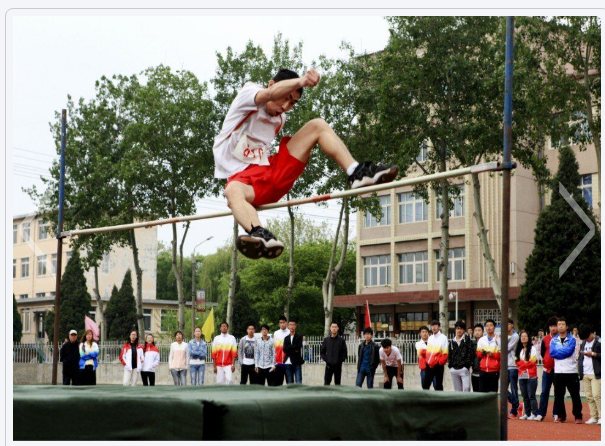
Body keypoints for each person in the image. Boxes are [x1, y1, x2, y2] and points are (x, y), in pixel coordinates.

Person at [214, 68, 399, 260]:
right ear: (271, 84)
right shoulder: (248, 94)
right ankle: (260, 234)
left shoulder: (280, 119)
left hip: (270, 172)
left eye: (293, 103)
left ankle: (356, 171)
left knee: (317, 125)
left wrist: (295, 89)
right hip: (245, 182)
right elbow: (268, 95)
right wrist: (302, 81)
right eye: (285, 98)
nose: (286, 106)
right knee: (232, 191)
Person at [550, 316, 583, 424]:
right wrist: (561, 352)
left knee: (575, 395)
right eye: (558, 324)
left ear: (567, 326)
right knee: (558, 396)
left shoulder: (572, 339)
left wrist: (559, 353)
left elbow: (569, 351)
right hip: (558, 372)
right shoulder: (553, 340)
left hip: (571, 371)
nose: (560, 326)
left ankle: (578, 416)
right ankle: (561, 416)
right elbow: (552, 353)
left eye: (562, 324)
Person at [535, 316, 559, 422]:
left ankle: (556, 413)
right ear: (549, 327)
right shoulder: (545, 339)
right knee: (544, 392)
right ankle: (541, 413)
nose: (553, 328)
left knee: (558, 393)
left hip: (558, 370)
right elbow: (542, 353)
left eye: (555, 326)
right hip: (547, 370)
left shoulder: (562, 338)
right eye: (551, 326)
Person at [578, 325, 601, 425]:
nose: (586, 340)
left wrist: (593, 354)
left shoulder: (599, 341)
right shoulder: (583, 342)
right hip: (586, 373)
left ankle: (601, 416)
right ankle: (594, 416)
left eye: (587, 338)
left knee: (597, 396)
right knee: (589, 396)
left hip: (596, 373)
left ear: (591, 333)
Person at [515, 330, 538, 420]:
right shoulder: (519, 350)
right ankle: (527, 413)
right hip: (521, 375)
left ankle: (534, 413)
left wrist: (522, 364)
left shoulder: (533, 349)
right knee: (524, 395)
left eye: (525, 336)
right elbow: (516, 362)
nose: (523, 337)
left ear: (528, 338)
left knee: (531, 395)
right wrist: (524, 363)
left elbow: (532, 362)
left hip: (531, 375)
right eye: (522, 336)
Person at [448, 320, 474, 392]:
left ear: (464, 330)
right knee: (457, 391)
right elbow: (449, 355)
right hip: (454, 370)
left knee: (466, 389)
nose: (459, 330)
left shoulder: (468, 340)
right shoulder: (452, 342)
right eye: (457, 328)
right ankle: (458, 403)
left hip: (464, 369)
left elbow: (470, 354)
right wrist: (451, 367)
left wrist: (466, 366)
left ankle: (467, 403)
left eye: (461, 328)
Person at [476, 319, 501, 393]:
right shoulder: (481, 340)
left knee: (493, 392)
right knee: (482, 392)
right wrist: (482, 353)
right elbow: (478, 354)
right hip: (483, 370)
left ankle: (493, 405)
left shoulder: (499, 339)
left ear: (494, 327)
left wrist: (492, 354)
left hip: (494, 370)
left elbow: (501, 355)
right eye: (487, 326)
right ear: (485, 328)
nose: (489, 327)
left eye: (491, 325)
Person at [423, 320, 448, 391]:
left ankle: (440, 401)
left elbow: (445, 353)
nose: (433, 327)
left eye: (435, 326)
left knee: (438, 385)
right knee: (426, 385)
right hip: (429, 365)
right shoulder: (430, 338)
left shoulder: (443, 338)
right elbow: (428, 352)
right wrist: (427, 362)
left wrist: (438, 362)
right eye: (432, 326)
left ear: (439, 327)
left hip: (438, 365)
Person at [320, 321, 348, 386]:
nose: (334, 328)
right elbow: (322, 352)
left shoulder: (341, 341)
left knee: (337, 384)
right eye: (332, 327)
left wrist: (339, 361)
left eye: (335, 327)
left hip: (338, 366)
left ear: (338, 328)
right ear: (330, 328)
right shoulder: (326, 340)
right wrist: (326, 359)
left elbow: (345, 353)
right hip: (328, 366)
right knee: (326, 384)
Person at [506, 318, 521, 419]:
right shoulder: (503, 336)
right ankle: (517, 404)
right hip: (504, 366)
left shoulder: (515, 336)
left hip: (513, 366)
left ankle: (514, 411)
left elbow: (506, 348)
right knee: (503, 389)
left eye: (507, 324)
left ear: (512, 325)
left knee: (513, 388)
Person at [283, 319, 304, 384]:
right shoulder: (286, 338)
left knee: (298, 381)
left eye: (293, 325)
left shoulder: (299, 336)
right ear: (288, 326)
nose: (292, 326)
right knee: (289, 383)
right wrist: (293, 348)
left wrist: (289, 347)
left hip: (297, 361)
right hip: (288, 362)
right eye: (290, 325)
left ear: (295, 326)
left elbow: (298, 346)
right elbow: (284, 349)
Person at [271, 315, 290, 386]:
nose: (282, 324)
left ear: (286, 323)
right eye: (280, 323)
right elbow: (274, 348)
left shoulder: (289, 332)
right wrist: (273, 362)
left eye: (283, 322)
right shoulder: (276, 333)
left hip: (288, 362)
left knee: (289, 382)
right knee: (278, 383)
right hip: (278, 362)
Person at [471, 324, 484, 392]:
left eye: (479, 330)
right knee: (475, 392)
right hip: (474, 372)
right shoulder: (472, 344)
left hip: (483, 373)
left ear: (483, 332)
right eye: (475, 330)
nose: (477, 332)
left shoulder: (485, 343)